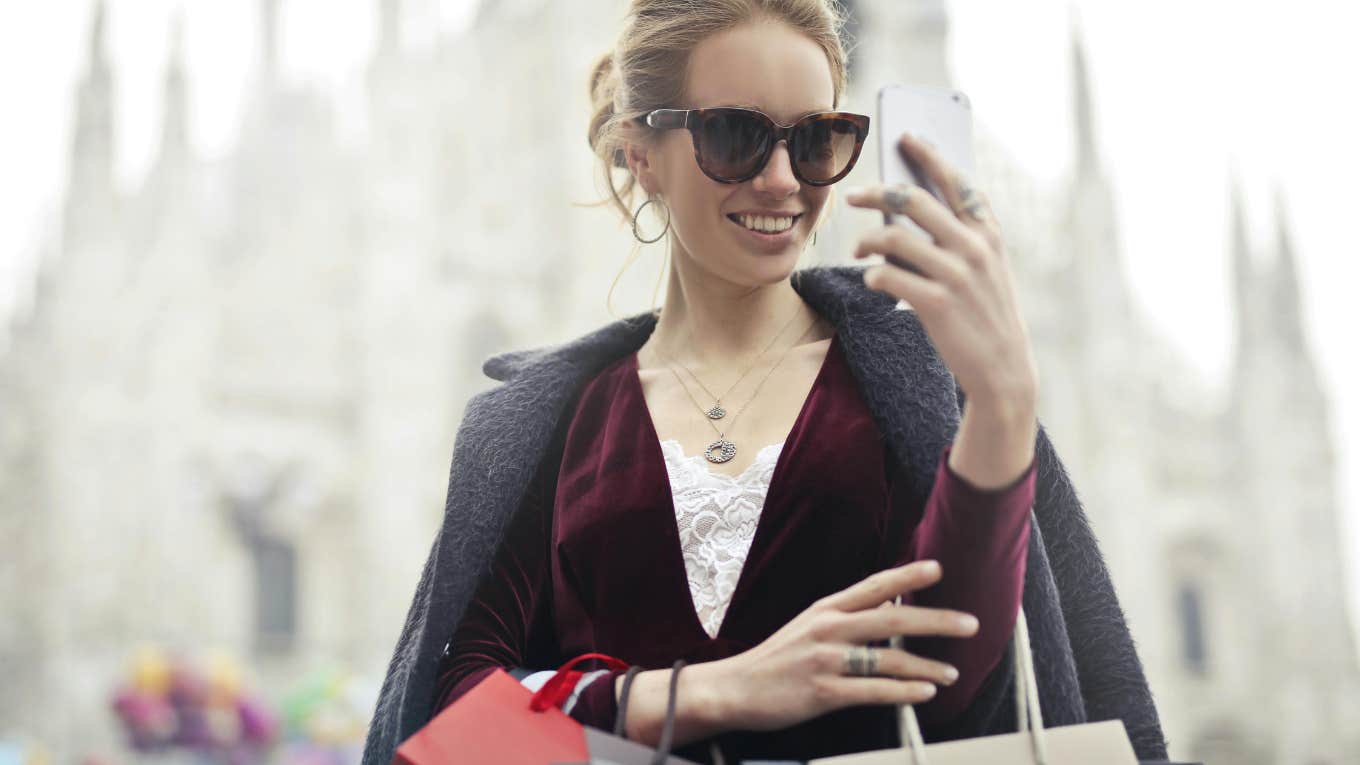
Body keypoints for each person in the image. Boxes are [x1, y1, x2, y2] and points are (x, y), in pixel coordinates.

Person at [361, 2, 1169, 764]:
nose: (783, 179)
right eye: (735, 135)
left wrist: (1002, 402)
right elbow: (458, 721)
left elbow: (954, 680)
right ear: (642, 155)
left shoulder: (900, 387)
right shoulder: (559, 417)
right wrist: (704, 692)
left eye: (817, 140)